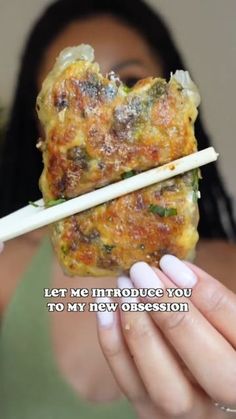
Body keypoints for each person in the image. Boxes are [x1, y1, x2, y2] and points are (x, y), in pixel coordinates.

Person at [0, 0, 236, 418]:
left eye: (129, 79)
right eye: (68, 102)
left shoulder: (230, 276)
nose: (102, 124)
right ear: (41, 132)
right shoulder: (6, 271)